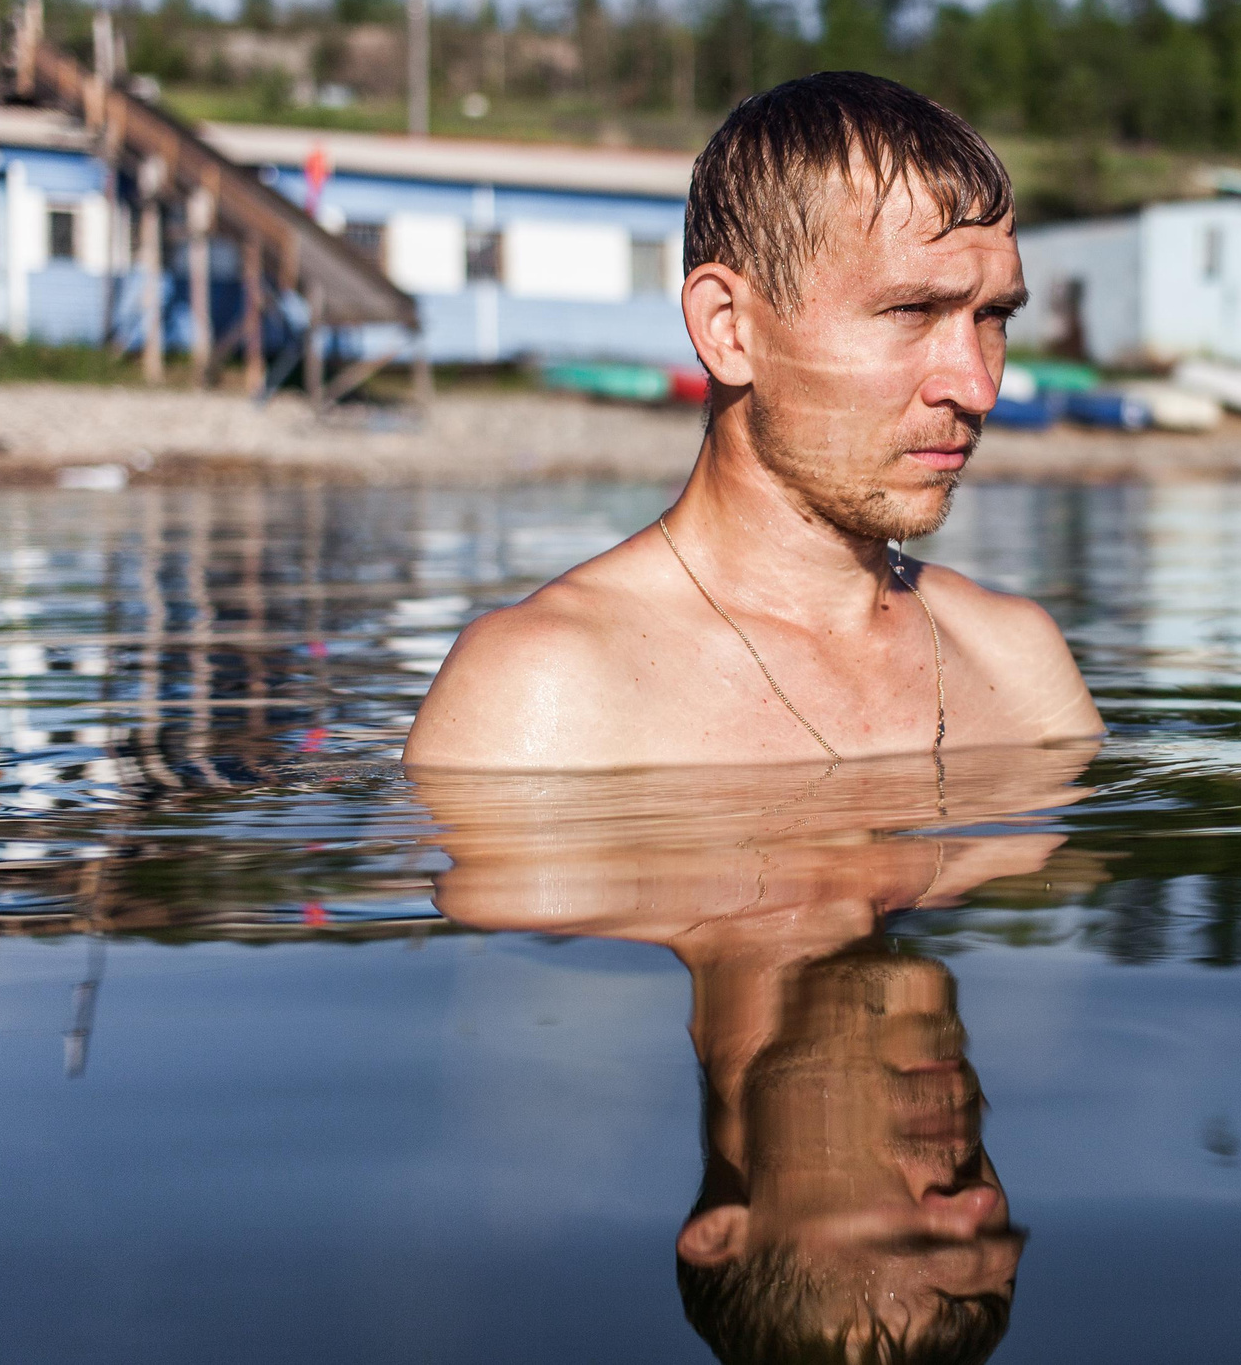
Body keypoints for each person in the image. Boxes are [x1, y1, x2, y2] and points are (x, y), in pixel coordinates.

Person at [406, 73, 1103, 770]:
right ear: (729, 329)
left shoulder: (1018, 661)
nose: (978, 387)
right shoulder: (549, 692)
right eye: (911, 311)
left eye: (992, 317)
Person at [416, 749, 1095, 1362]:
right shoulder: (1021, 809)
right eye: (994, 1231)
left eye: (916, 1242)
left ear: (725, 1233)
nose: (978, 1198)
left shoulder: (532, 872)